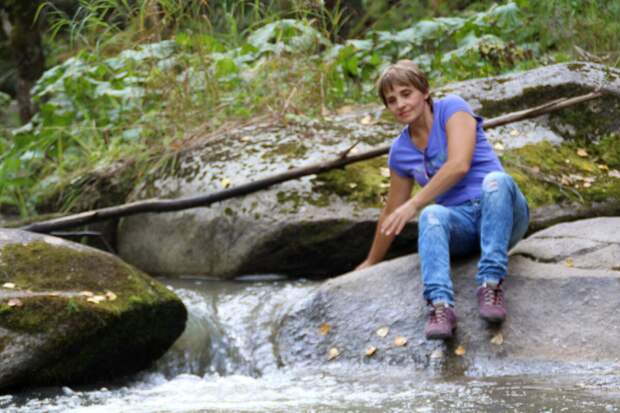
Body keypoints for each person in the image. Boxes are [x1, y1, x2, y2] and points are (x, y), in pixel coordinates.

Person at [356, 60, 529, 340]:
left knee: (496, 181)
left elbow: (458, 164)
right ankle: (440, 306)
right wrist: (371, 262)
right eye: (391, 100)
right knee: (432, 214)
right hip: (460, 227)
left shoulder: (452, 108)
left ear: (424, 91)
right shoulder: (400, 152)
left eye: (406, 93)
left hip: (502, 215)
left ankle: (491, 283)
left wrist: (413, 203)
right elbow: (391, 211)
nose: (400, 103)